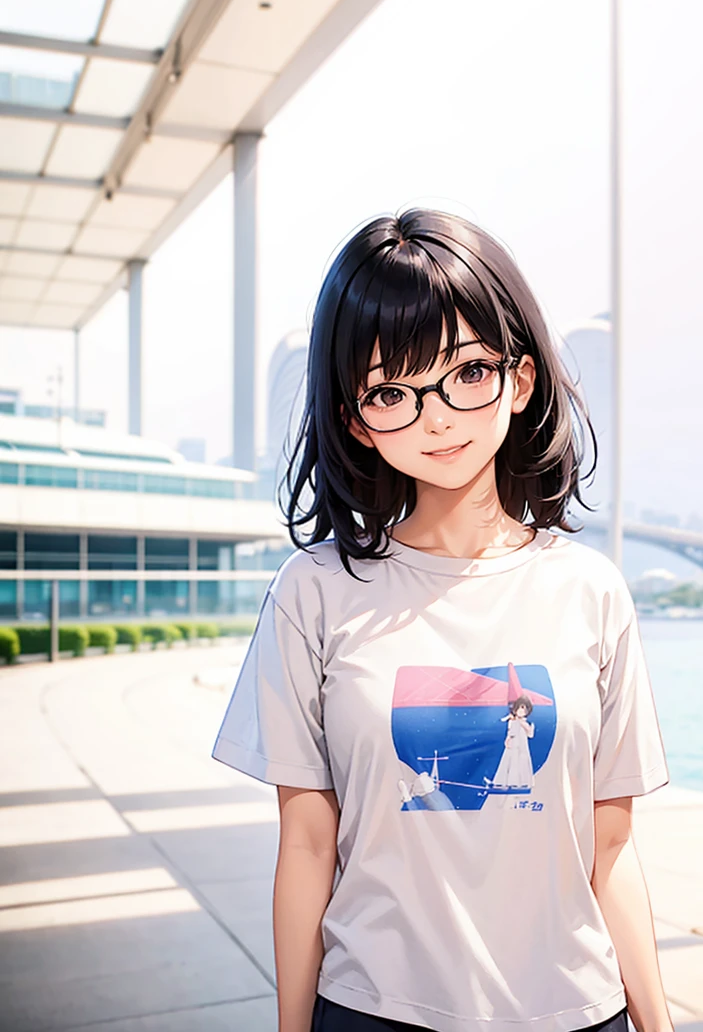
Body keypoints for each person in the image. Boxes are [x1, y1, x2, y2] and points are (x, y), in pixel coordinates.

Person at [211, 208, 673, 1032]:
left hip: (575, 1011)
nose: (437, 415)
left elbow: (610, 850)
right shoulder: (314, 592)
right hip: (374, 1010)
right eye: (393, 390)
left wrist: (657, 1024)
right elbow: (308, 848)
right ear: (357, 419)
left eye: (465, 373)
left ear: (519, 380)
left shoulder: (591, 591)